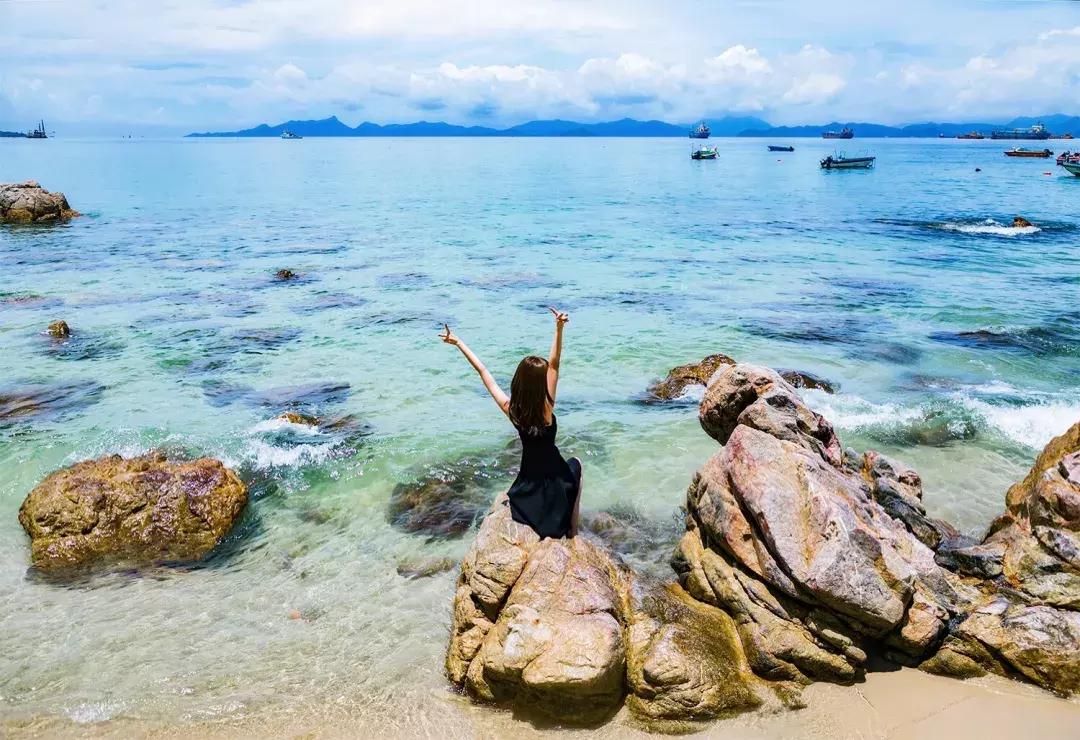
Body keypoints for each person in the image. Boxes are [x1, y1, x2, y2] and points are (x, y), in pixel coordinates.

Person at [439, 308, 581, 539]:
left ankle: (564, 526)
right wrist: (559, 327)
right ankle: (573, 530)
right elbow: (555, 364)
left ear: (519, 381)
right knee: (576, 465)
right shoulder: (547, 407)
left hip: (528, 487)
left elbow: (483, 371)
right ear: (541, 385)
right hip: (554, 483)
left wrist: (459, 343)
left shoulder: (512, 410)